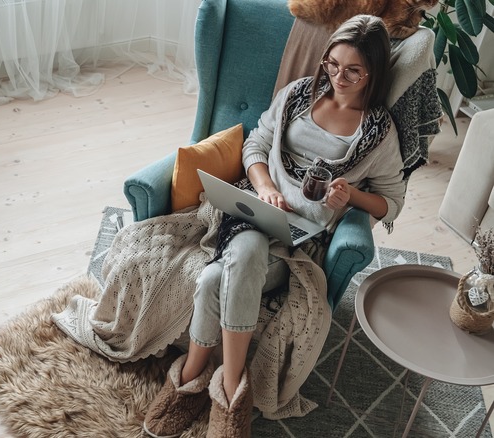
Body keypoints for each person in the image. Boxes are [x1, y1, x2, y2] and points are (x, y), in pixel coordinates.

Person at [142, 14, 406, 438]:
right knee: (245, 251)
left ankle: (192, 381)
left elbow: (391, 201)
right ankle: (230, 394)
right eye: (333, 64)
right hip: (253, 209)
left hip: (300, 241)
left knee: (213, 281)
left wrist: (350, 196)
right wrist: (265, 187)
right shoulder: (298, 95)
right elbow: (257, 143)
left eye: (354, 70)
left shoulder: (378, 133)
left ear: (373, 72)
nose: (339, 77)